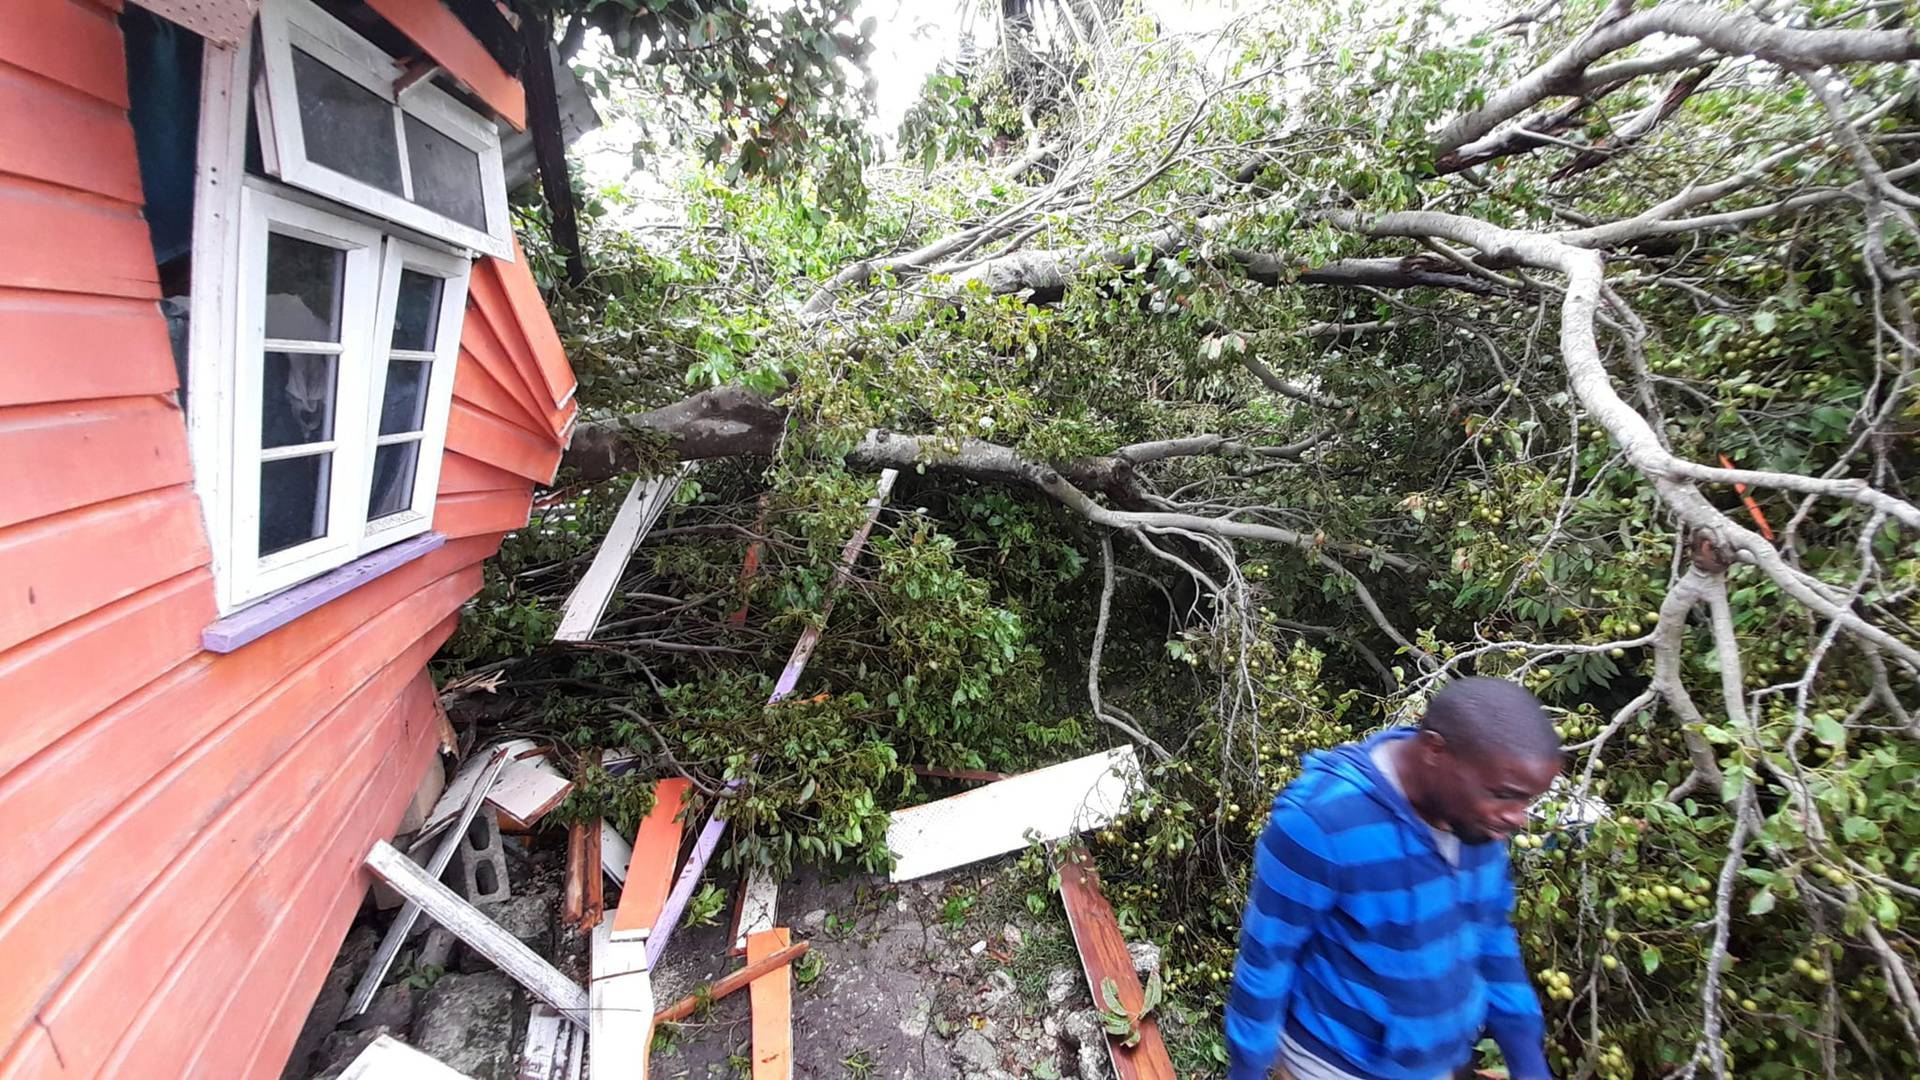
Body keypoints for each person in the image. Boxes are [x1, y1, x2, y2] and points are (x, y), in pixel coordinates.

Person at [1224, 677, 1563, 1080]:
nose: (1518, 817)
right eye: (1506, 795)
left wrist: (1526, 1058)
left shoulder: (1476, 822)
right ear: (1436, 751)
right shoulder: (1321, 821)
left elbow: (1491, 936)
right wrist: (1246, 1067)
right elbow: (1268, 956)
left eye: (1528, 799)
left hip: (1437, 1060)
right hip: (1337, 1062)